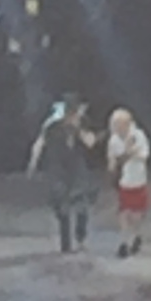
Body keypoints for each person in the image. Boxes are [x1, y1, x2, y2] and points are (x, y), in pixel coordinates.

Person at [27, 98, 100, 254]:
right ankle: (65, 244)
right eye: (73, 114)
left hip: (77, 168)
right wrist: (33, 162)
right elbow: (40, 143)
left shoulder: (82, 125)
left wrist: (79, 130)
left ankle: (80, 237)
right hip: (58, 168)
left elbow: (91, 142)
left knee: (81, 204)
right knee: (62, 206)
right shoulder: (52, 127)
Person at [105, 109, 150, 259]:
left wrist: (129, 152)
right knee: (124, 213)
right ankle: (124, 243)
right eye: (115, 124)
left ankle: (136, 236)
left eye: (119, 124)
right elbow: (112, 158)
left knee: (136, 215)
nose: (117, 127)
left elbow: (144, 155)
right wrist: (112, 167)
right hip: (124, 182)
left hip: (138, 180)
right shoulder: (114, 140)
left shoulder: (138, 136)